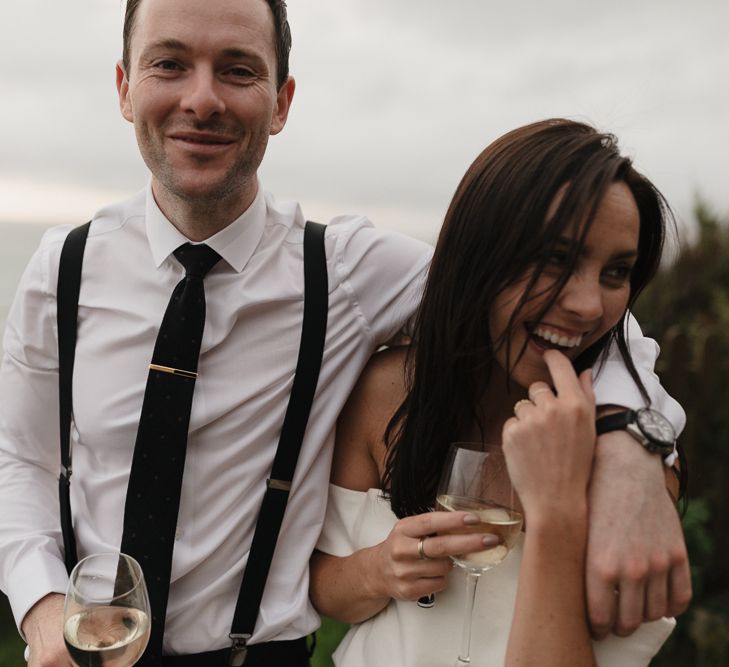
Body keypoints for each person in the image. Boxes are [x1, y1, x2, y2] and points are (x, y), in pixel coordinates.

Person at [0, 0, 688, 664]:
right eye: (169, 64)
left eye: (238, 69)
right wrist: (40, 605)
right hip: (92, 652)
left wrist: (633, 445)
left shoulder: (348, 271)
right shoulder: (61, 268)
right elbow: (18, 459)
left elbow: (553, 313)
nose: (202, 99)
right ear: (124, 88)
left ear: (281, 102)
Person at [310, 119, 688, 666]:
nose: (587, 305)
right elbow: (329, 587)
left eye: (617, 271)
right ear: (479, 252)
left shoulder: (630, 465)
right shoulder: (387, 392)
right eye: (556, 259)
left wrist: (557, 510)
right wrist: (378, 569)